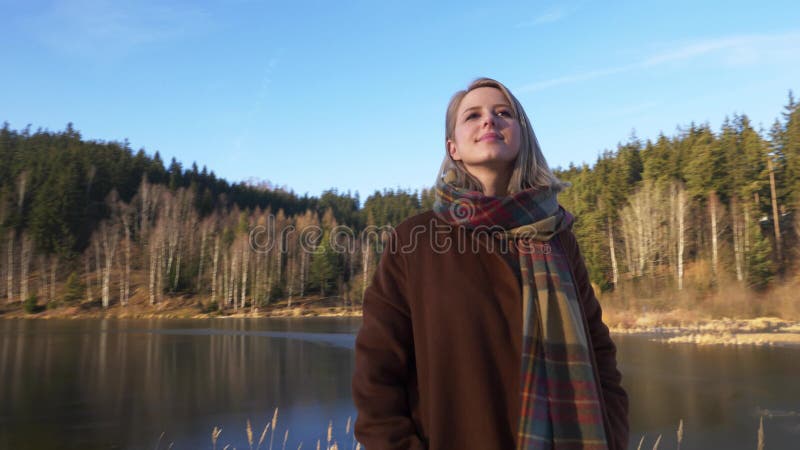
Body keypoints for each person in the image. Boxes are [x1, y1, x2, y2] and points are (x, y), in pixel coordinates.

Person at [352, 78, 629, 450]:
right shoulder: (413, 239)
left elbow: (600, 353)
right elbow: (376, 372)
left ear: (521, 137)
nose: (489, 121)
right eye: (473, 115)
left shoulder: (557, 235)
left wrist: (613, 430)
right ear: (453, 148)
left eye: (503, 113)